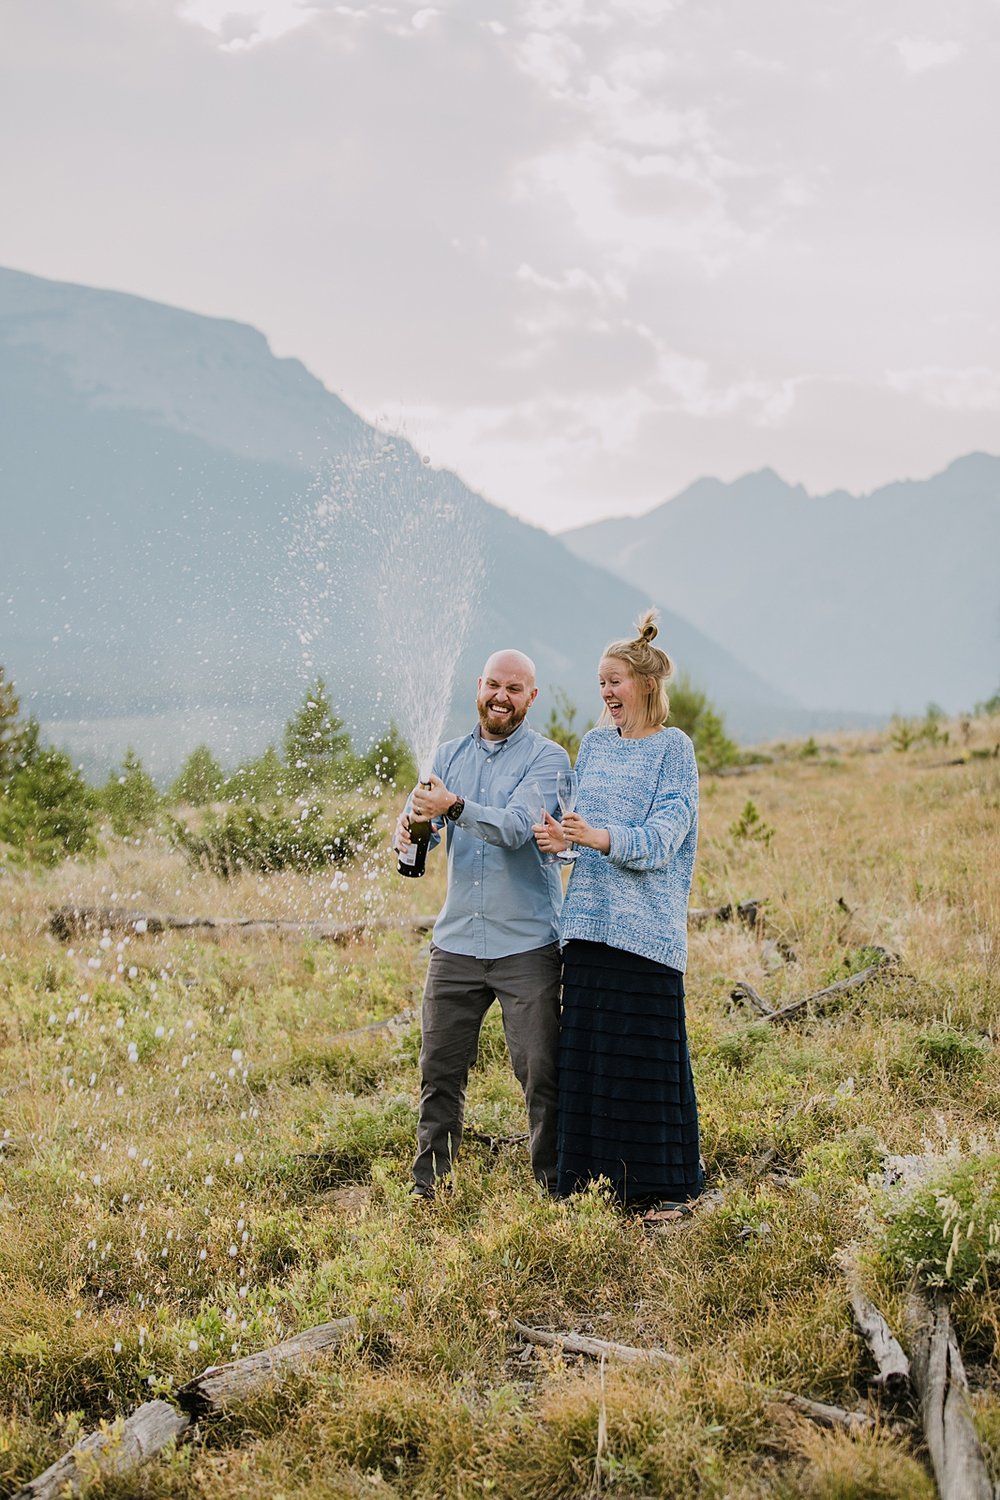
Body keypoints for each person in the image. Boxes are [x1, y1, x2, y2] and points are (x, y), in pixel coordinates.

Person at [534, 610, 703, 1212]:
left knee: (643, 1061)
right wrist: (561, 843)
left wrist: (599, 838)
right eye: (600, 681)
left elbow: (662, 840)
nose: (605, 691)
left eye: (615, 681)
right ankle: (587, 1184)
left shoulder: (674, 751)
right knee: (590, 1059)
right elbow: (579, 831)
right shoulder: (595, 746)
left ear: (646, 685)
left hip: (646, 935)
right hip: (586, 928)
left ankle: (655, 1188)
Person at [395, 649, 571, 1199]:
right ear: (478, 686)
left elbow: (519, 827)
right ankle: (431, 1187)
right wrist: (410, 836)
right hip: (456, 945)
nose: (501, 696)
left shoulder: (548, 758)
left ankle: (555, 1185)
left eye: (514, 689)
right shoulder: (444, 756)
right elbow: (418, 842)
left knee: (540, 1073)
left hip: (527, 946)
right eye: (493, 684)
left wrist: (451, 807)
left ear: (532, 697)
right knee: (438, 1070)